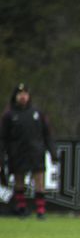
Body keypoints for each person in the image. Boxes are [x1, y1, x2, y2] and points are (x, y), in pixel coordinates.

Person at [0, 83, 55, 219]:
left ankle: (41, 210)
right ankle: (22, 207)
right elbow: (3, 137)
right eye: (20, 94)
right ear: (15, 96)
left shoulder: (37, 113)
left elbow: (47, 134)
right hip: (17, 153)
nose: (23, 97)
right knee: (19, 180)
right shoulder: (9, 115)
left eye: (25, 94)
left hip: (35, 152)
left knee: (39, 180)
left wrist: (52, 151)